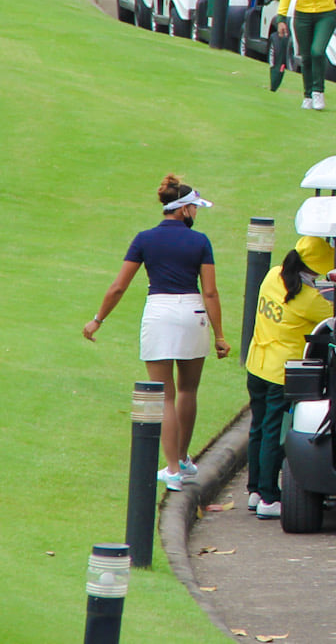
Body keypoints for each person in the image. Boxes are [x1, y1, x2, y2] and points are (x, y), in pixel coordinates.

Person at [84, 177, 230, 491]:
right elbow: (211, 293)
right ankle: (182, 460)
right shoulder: (200, 241)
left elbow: (118, 286)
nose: (197, 213)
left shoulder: (144, 239)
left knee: (165, 396)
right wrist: (219, 336)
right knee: (188, 390)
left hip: (159, 313)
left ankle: (173, 468)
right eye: (195, 208)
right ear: (184, 209)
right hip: (193, 313)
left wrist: (98, 320)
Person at [244, 236, 336, 519]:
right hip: (281, 373)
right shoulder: (310, 300)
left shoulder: (273, 275)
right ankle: (269, 497)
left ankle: (255, 489)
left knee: (258, 427)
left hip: (257, 363)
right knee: (275, 433)